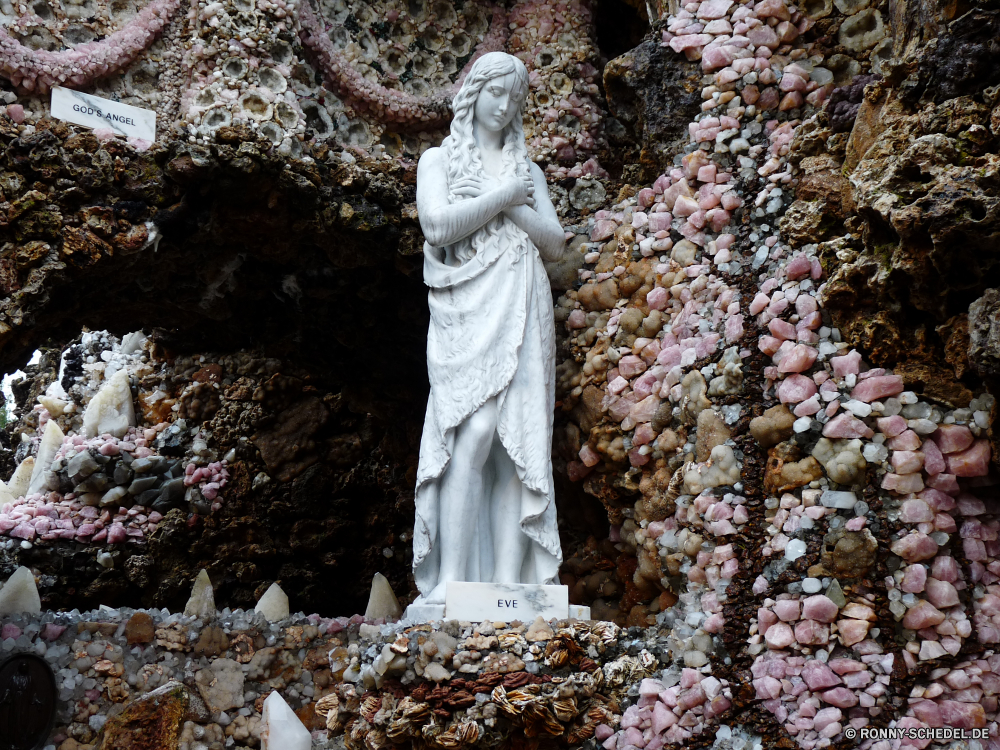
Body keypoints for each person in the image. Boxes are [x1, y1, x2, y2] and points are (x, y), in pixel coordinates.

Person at [412, 51, 565, 605]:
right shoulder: (440, 161)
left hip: (523, 296)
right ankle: (455, 581)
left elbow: (554, 242)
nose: (503, 106)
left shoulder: (530, 171)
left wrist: (510, 202)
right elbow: (436, 225)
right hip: (467, 305)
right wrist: (505, 198)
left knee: (515, 445)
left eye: (513, 97)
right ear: (473, 94)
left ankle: (507, 587)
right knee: (471, 433)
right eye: (495, 92)